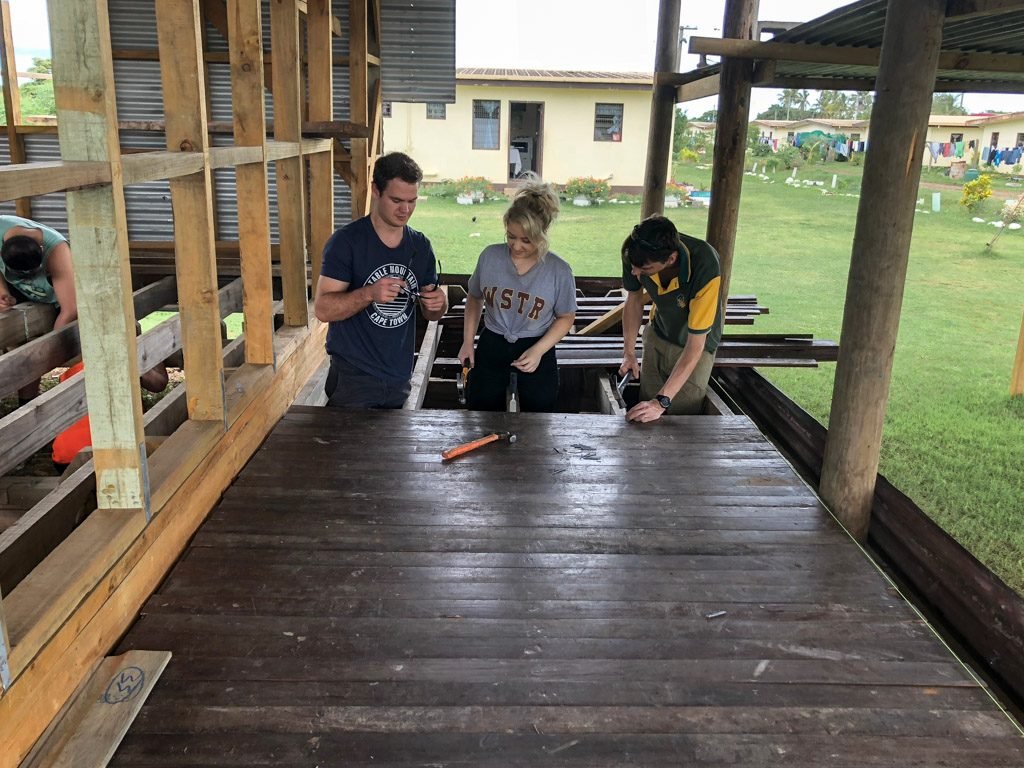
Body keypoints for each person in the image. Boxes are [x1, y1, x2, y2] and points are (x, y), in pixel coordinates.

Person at [314, 152, 448, 408]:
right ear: (376, 190)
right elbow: (323, 309)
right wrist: (369, 294)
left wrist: (437, 304)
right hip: (354, 376)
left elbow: (432, 313)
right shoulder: (347, 242)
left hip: (399, 374)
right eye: (396, 200)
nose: (405, 210)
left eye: (412, 201)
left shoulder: (420, 246)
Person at [458, 176, 576, 412]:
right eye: (511, 236)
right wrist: (468, 342)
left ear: (542, 235)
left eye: (526, 240)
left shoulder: (559, 270)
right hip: (492, 342)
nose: (517, 246)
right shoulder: (490, 257)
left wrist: (538, 350)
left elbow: (566, 317)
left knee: (539, 413)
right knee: (481, 410)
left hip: (536, 344)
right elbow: (474, 297)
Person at [618, 215, 723, 422]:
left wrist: (661, 402)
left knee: (681, 420)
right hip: (658, 333)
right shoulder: (634, 252)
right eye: (634, 266)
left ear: (671, 259)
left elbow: (696, 344)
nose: (635, 272)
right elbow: (634, 299)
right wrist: (629, 353)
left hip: (694, 346)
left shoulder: (705, 265)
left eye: (645, 269)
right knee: (644, 413)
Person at [0, 215, 78, 401]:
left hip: (62, 297)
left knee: (38, 354)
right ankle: (26, 403)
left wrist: (51, 350)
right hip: (27, 297)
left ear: (42, 250)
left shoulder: (57, 251)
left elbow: (70, 310)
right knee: (24, 351)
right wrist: (3, 293)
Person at [51, 359, 170, 471]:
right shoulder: (122, 363)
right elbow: (159, 382)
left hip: (64, 458)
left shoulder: (71, 374)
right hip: (105, 455)